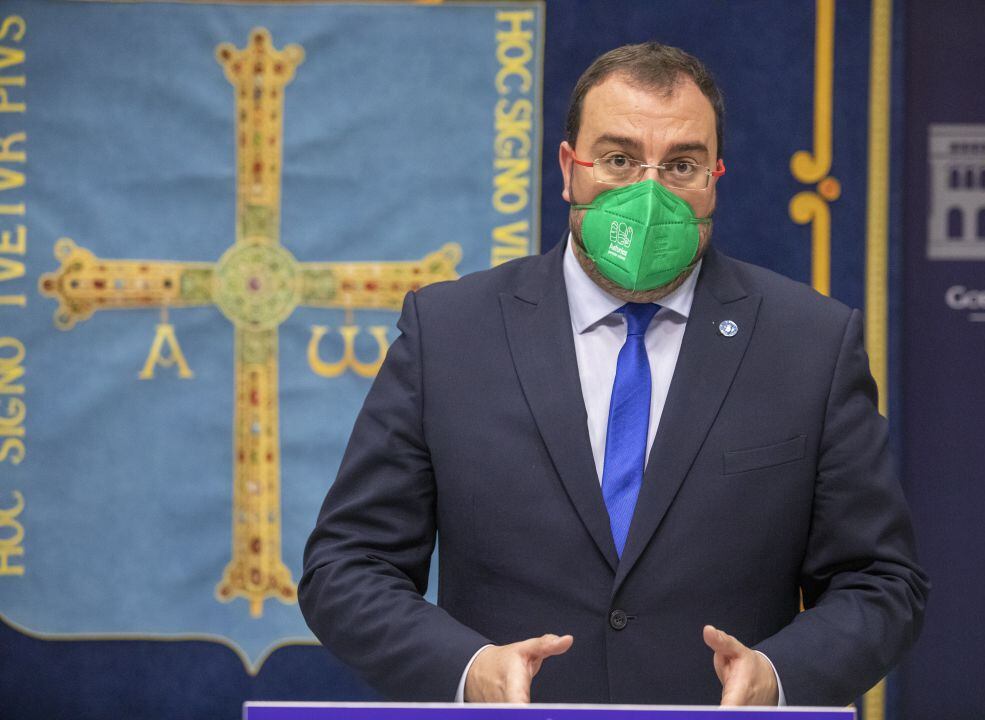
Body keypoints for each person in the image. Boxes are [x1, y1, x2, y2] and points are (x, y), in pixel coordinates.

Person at [299, 42, 928, 707]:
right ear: (570, 169)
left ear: (714, 178)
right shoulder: (450, 333)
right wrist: (468, 669)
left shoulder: (810, 345)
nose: (647, 193)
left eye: (681, 164)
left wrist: (777, 677)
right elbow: (347, 568)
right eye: (620, 159)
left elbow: (882, 582)